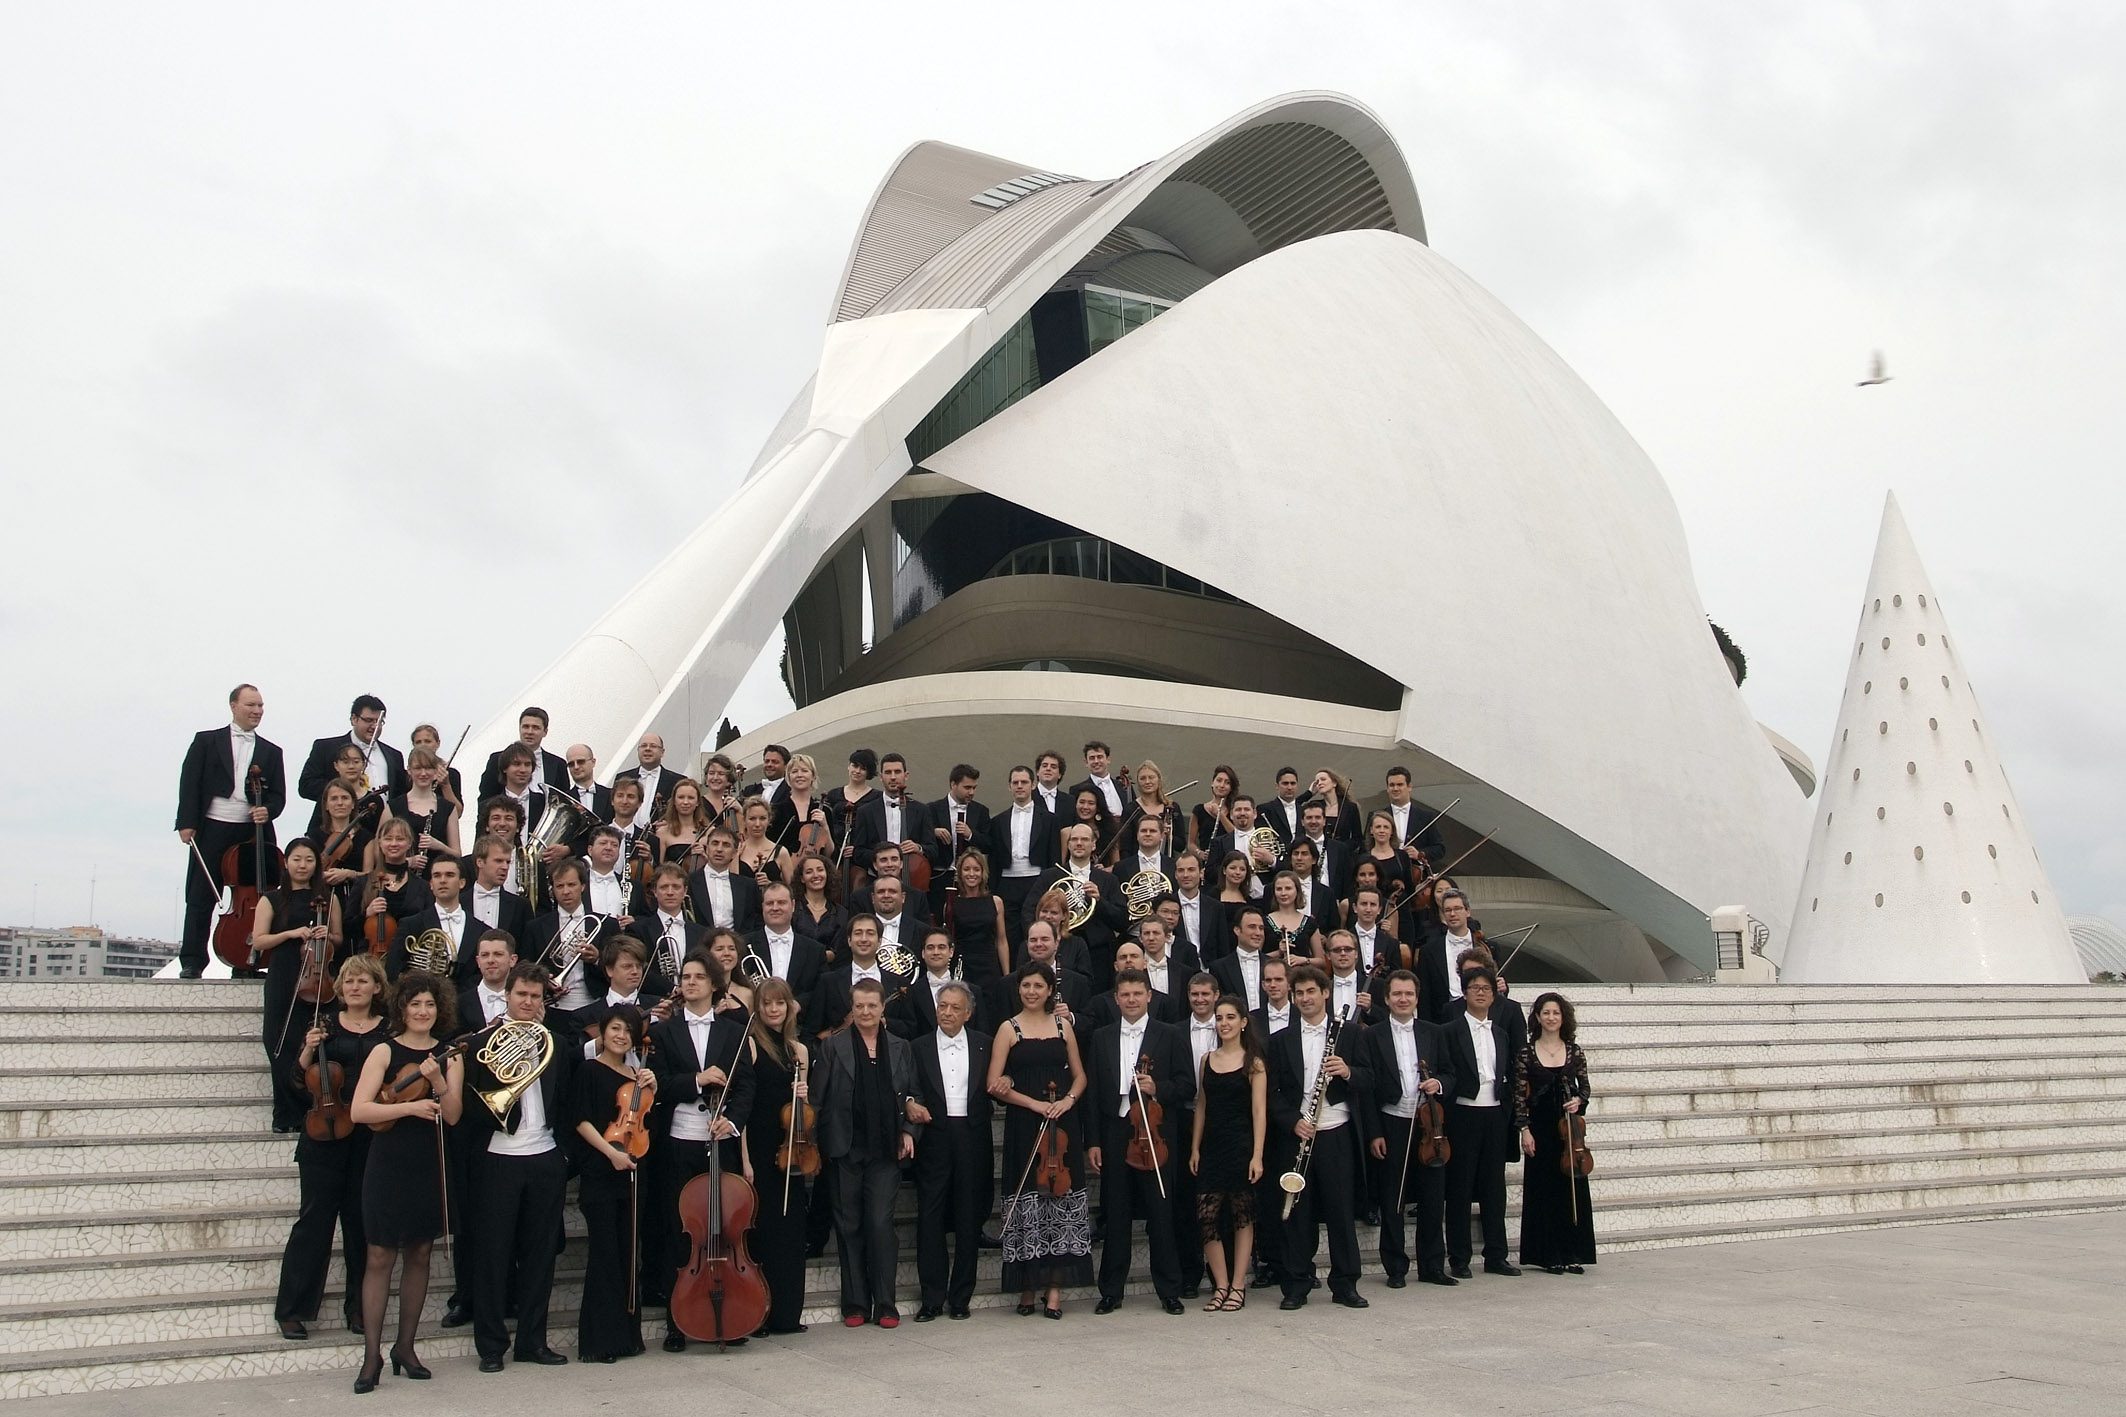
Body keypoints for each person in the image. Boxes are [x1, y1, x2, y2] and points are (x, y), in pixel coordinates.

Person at [347, 969, 464, 1391]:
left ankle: (406, 1348)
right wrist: (407, 1110)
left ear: (440, 1009)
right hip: (388, 1162)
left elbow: (452, 1115)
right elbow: (359, 1111)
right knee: (379, 1256)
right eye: (415, 1003)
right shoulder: (383, 1051)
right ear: (402, 1007)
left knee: (419, 1254)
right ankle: (371, 1356)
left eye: (429, 1004)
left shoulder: (451, 1054)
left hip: (429, 1162)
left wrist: (436, 1081)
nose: (422, 1011)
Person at [460, 962, 577, 1371]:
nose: (528, 1002)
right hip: (497, 1159)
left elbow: (567, 1101)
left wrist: (563, 1156)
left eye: (535, 996)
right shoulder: (480, 1044)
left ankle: (532, 1341)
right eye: (521, 995)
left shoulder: (558, 1044)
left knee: (540, 1255)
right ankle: (491, 1347)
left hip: (544, 1156)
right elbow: (470, 1108)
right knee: (492, 1255)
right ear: (507, 996)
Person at [275, 954, 389, 1340]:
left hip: (370, 1136)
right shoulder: (323, 1029)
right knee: (314, 1222)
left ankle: (360, 1308)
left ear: (377, 987)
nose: (355, 987)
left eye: (363, 981)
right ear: (340, 988)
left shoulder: (388, 1031)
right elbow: (295, 1081)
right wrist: (307, 1052)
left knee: (362, 1224)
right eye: (349, 981)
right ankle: (293, 1309)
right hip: (323, 1135)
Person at [646, 951, 752, 1353]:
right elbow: (659, 1085)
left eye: (698, 977)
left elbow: (745, 1086)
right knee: (680, 1231)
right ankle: (679, 1320)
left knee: (724, 1228)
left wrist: (733, 1121)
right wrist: (697, 1079)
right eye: (686, 977)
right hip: (679, 1140)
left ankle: (730, 1314)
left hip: (721, 1140)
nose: (690, 982)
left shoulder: (732, 1031)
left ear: (713, 984)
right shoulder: (662, 1033)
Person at [987, 961, 1092, 1318]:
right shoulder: (1008, 1028)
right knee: (1029, 1201)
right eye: (1026, 985)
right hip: (1024, 1123)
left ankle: (1054, 1291)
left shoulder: (1063, 1025)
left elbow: (1079, 1076)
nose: (1032, 991)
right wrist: (1033, 1103)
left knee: (1059, 1203)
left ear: (1050, 991)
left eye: (1038, 986)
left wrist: (1066, 1101)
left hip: (1061, 1122)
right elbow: (993, 1083)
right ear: (1019, 989)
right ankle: (1027, 1288)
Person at [1087, 969, 1194, 1315]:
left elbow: (1187, 1085)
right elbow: (1092, 1096)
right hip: (1116, 1131)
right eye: (1125, 994)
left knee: (1161, 1215)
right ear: (1116, 999)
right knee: (1116, 1214)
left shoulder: (1171, 1034)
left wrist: (1157, 1087)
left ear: (1149, 996)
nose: (1131, 1000)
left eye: (1137, 993)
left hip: (1154, 1133)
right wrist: (1093, 1141)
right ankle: (1111, 1291)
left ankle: (1169, 1290)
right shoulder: (1101, 1037)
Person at [812, 977, 918, 1327]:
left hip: (886, 1150)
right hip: (846, 1148)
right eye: (859, 1006)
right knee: (849, 1226)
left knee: (879, 1224)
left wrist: (908, 1130)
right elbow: (819, 1099)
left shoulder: (902, 1047)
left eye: (872, 1005)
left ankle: (885, 1303)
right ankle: (855, 1303)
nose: (866, 1012)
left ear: (883, 1007)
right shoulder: (833, 1047)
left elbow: (913, 1095)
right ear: (852, 1008)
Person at [1267, 964, 1372, 1311]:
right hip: (1299, 1134)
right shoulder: (1280, 1040)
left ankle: (1345, 1283)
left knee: (1341, 1212)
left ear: (1326, 993)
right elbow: (1272, 1093)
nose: (1305, 998)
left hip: (1336, 1132)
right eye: (1299, 993)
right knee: (1297, 1213)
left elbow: (1372, 1078)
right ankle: (1296, 1284)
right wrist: (1292, 1121)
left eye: (1312, 991)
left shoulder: (1350, 1034)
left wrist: (1348, 1071)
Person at [176, 683, 289, 977]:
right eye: (251, 705)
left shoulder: (271, 751)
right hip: (212, 825)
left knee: (254, 898)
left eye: (261, 706)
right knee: (200, 895)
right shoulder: (206, 741)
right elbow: (190, 783)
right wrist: (186, 823)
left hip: (252, 831)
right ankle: (192, 961)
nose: (257, 711)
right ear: (234, 706)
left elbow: (278, 796)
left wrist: (268, 810)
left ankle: (247, 960)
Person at [570, 1005, 656, 1362]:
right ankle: (599, 1342)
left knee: (627, 1253)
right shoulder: (589, 1069)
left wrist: (655, 1085)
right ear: (602, 1033)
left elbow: (646, 1119)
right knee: (605, 1255)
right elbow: (581, 1120)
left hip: (635, 1171)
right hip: (602, 1171)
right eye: (615, 1029)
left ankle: (627, 1336)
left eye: (628, 1031)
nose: (621, 1036)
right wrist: (611, 1153)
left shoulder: (638, 1074)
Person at [1364, 968, 1458, 1287]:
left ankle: (1432, 1265)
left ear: (1417, 998)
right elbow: (1368, 1090)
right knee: (1394, 1198)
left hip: (1428, 1123)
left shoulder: (1434, 1031)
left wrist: (1439, 1083)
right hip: (1392, 1122)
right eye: (1397, 994)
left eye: (1409, 994)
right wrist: (1375, 1132)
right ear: (1387, 999)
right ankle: (1395, 1267)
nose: (1403, 999)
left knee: (1433, 1197)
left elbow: (1450, 1072)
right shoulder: (1371, 1035)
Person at [907, 980, 990, 1321]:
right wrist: (911, 1103)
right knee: (930, 1218)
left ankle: (960, 1298)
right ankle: (932, 1297)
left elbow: (1000, 1081)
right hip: (934, 1136)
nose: (948, 1013)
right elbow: (906, 1086)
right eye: (943, 1006)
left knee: (969, 1218)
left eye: (956, 1008)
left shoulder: (985, 1045)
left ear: (968, 1013)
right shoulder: (918, 1046)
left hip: (972, 1136)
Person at [738, 978, 812, 1335]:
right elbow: (744, 1108)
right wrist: (746, 1159)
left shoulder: (799, 1051)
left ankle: (786, 1315)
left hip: (790, 1151)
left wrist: (804, 1093)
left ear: (789, 1007)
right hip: (760, 1149)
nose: (773, 1009)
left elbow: (804, 1113)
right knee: (762, 1233)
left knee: (790, 1235)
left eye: (779, 1003)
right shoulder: (750, 1046)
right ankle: (758, 1315)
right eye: (766, 1003)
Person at [252, 839, 342, 1132]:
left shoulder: (328, 897)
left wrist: (327, 934)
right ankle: (285, 1112)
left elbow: (339, 939)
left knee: (311, 1043)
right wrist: (291, 933)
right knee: (277, 1042)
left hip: (319, 977)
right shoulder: (272, 899)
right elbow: (260, 939)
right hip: (283, 974)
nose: (303, 866)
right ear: (286, 863)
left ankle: (310, 1109)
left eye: (309, 860)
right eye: (297, 859)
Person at [1443, 961, 1519, 1279]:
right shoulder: (1449, 1030)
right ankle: (1459, 1257)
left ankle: (1496, 1255)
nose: (1481, 993)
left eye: (1486, 989)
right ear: (1464, 993)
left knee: (1493, 1187)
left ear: (1494, 995)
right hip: (1463, 1112)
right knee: (1460, 1186)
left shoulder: (1500, 1033)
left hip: (1495, 1114)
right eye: (1475, 988)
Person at [1190, 993, 1266, 1312]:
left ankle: (1238, 1285)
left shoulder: (1254, 1062)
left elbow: (1260, 1111)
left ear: (1243, 1022)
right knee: (1207, 1217)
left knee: (1241, 1216)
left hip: (1241, 1145)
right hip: (1211, 1146)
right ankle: (1220, 1285)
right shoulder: (1207, 1059)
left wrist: (1257, 1155)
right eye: (1219, 1018)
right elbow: (1202, 1106)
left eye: (1230, 1017)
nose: (1224, 1023)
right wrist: (1194, 1147)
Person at [1516, 991, 1596, 1274]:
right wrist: (1524, 1130)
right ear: (1537, 1017)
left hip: (1568, 1131)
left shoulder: (1574, 1050)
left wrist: (1579, 1101)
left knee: (1571, 1189)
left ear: (1564, 1018)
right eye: (1546, 1012)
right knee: (1543, 1190)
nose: (1551, 1017)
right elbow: (1519, 1096)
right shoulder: (1526, 1051)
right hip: (1539, 1128)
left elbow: (1585, 1088)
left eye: (1556, 1013)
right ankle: (1548, 1254)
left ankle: (1574, 1251)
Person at [987, 765, 1055, 941]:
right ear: (1009, 786)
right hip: (1007, 883)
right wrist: (993, 890)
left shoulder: (1048, 819)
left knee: (1036, 928)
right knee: (1009, 933)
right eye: (1015, 782)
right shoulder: (998, 821)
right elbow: (993, 859)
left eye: (1024, 782)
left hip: (1037, 880)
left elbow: (1053, 855)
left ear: (1033, 785)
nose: (1019, 786)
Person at [301, 694, 406, 806]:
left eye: (379, 721)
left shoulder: (395, 756)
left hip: (384, 821)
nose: (375, 726)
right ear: (354, 719)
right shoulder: (326, 748)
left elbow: (400, 795)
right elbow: (306, 786)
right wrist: (344, 790)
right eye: (369, 720)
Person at [383, 748, 460, 876]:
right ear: (409, 770)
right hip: (401, 879)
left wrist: (439, 846)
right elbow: (379, 850)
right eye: (418, 768)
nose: (423, 773)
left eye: (428, 768)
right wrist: (408, 861)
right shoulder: (394, 806)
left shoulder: (448, 808)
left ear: (436, 771)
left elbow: (457, 854)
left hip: (437, 880)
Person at [945, 849, 1010, 987]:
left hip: (989, 965)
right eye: (966, 869)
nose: (971, 874)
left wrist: (1007, 976)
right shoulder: (951, 904)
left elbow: (1002, 940)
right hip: (963, 965)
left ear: (983, 873)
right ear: (960, 873)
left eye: (976, 869)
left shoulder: (996, 902)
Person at [476, 706, 566, 799]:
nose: (530, 732)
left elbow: (564, 803)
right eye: (526, 727)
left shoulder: (559, 764)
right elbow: (485, 798)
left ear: (545, 732)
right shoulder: (497, 759)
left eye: (536, 728)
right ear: (519, 728)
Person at [614, 733, 676, 828]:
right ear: (638, 750)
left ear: (662, 752)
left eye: (653, 746)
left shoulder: (676, 780)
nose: (647, 749)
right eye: (643, 746)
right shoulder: (622, 777)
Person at [655, 779, 712, 868]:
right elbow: (658, 868)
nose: (685, 802)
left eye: (691, 798)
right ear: (674, 801)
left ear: (697, 802)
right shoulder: (663, 832)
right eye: (681, 797)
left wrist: (705, 856)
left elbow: (718, 868)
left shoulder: (710, 832)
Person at [1190, 765, 1239, 854]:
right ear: (1212, 783)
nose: (1222, 785)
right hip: (1207, 861)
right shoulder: (1199, 810)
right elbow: (1191, 844)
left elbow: (1236, 836)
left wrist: (1220, 815)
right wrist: (1200, 853)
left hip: (1229, 860)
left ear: (1231, 788)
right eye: (1219, 780)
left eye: (1227, 783)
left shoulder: (1235, 810)